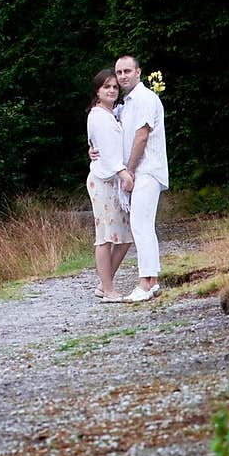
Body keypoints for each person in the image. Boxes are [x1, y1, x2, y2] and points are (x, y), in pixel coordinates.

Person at [113, 54, 168, 303]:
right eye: (119, 72)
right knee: (143, 225)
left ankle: (144, 284)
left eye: (127, 71)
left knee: (141, 225)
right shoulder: (127, 103)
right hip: (142, 170)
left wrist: (130, 171)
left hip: (146, 169)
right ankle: (152, 281)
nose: (123, 76)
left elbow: (142, 136)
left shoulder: (145, 98)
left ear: (138, 72)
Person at [86, 67, 133, 304]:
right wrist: (124, 174)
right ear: (97, 90)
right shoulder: (97, 116)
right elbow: (106, 152)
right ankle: (108, 289)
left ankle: (104, 283)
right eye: (107, 87)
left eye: (115, 87)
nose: (112, 90)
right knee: (105, 237)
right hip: (104, 181)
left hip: (114, 181)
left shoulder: (113, 113)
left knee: (124, 237)